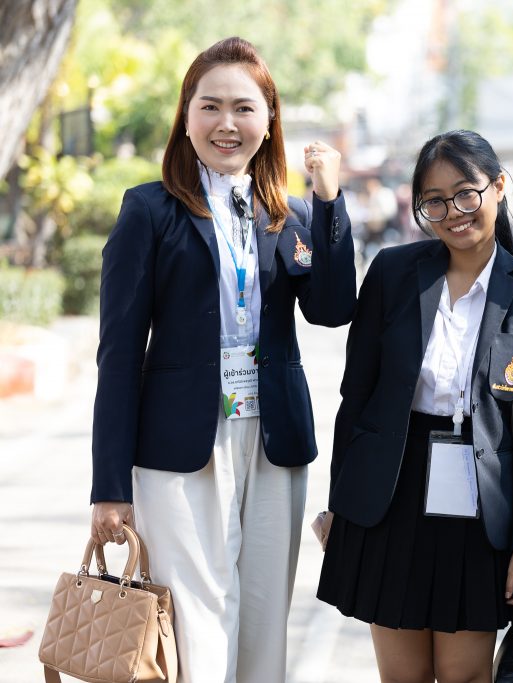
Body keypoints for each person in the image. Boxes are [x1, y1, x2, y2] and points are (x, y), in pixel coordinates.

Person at [89, 36, 356, 683]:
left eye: (244, 108)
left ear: (269, 119)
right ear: (186, 117)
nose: (226, 124)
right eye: (210, 106)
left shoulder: (287, 215)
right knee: (198, 623)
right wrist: (109, 486)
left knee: (264, 621)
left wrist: (329, 204)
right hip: (180, 445)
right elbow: (119, 353)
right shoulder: (149, 210)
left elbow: (331, 307)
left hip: (273, 438)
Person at [316, 130, 513, 683]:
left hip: (480, 501)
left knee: (465, 676)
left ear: (499, 187)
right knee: (402, 676)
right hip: (390, 492)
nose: (453, 213)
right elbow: (357, 398)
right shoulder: (393, 273)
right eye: (435, 201)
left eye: (466, 193)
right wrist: (339, 504)